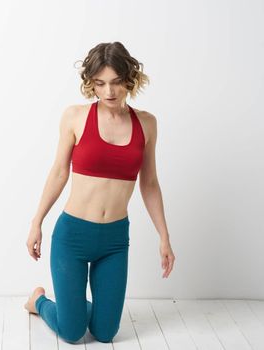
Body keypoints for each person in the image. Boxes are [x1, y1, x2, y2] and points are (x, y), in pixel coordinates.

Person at [24, 42, 175, 344]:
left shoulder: (147, 124)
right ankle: (39, 301)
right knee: (73, 332)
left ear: (129, 80)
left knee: (105, 333)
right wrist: (36, 222)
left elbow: (150, 183)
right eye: (100, 83)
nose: (109, 92)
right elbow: (58, 172)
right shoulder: (75, 117)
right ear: (90, 83)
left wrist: (164, 237)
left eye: (117, 82)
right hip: (73, 237)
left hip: (114, 241)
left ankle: (75, 309)